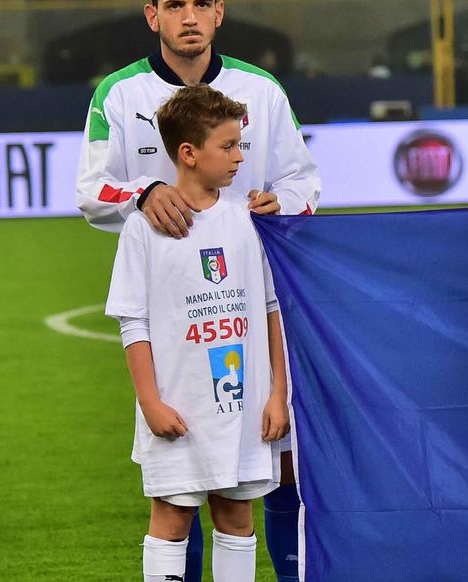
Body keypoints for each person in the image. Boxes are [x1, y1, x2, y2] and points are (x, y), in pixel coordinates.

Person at [76, 0, 316, 582]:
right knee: (178, 483)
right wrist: (141, 193)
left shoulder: (261, 92)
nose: (189, 17)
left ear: (219, 13)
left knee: (273, 464)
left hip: (251, 293)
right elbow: (89, 193)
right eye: (175, 5)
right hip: (176, 308)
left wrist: (280, 203)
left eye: (201, 4)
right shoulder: (118, 94)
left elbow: (304, 179)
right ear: (153, 15)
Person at [106, 85, 290, 582]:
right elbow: (133, 321)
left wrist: (278, 393)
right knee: (171, 515)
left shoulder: (249, 222)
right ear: (188, 153)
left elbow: (271, 307)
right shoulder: (143, 230)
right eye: (228, 146)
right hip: (178, 405)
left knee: (236, 515)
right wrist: (150, 403)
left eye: (240, 145)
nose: (239, 157)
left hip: (246, 405)